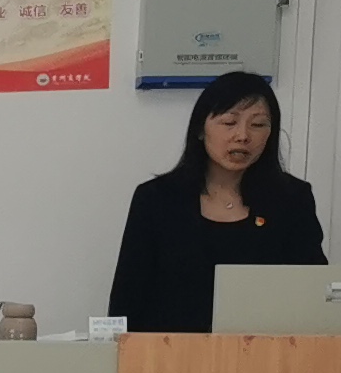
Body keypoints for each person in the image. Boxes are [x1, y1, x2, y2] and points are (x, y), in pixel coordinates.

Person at [106, 70, 327, 334]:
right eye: (229, 122)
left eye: (258, 125)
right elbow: (127, 299)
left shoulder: (292, 199)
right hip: (169, 354)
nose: (243, 136)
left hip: (266, 352)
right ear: (201, 129)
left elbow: (312, 294)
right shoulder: (157, 199)